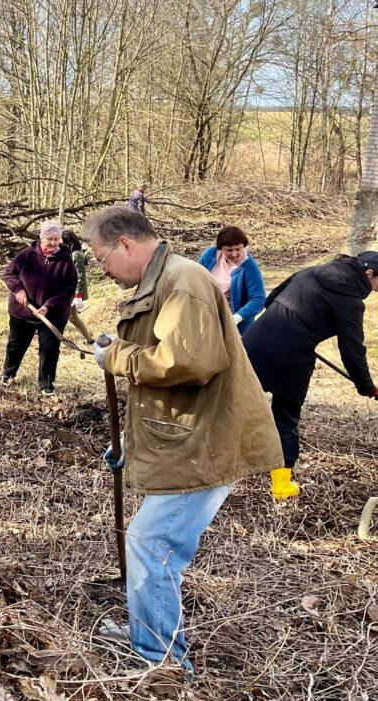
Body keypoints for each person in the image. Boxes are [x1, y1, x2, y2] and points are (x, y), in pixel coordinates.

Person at [86, 206, 282, 672]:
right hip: (187, 438)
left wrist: (118, 357)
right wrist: (129, 443)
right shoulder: (164, 281)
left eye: (101, 258)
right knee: (151, 544)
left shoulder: (184, 281)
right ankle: (147, 631)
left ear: (126, 244)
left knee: (151, 545)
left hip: (205, 444)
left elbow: (186, 363)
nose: (102, 269)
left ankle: (162, 663)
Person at [243, 253, 378, 499]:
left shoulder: (311, 272)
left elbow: (271, 299)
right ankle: (281, 486)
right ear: (369, 274)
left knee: (237, 403)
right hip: (291, 355)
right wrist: (368, 388)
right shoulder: (350, 300)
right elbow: (352, 349)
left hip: (254, 340)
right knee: (285, 416)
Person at [0, 221, 78, 394]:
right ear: (41, 238)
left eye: (56, 239)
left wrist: (49, 306)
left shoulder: (66, 262)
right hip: (23, 311)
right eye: (49, 238)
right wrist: (18, 290)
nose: (53, 243)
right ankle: (8, 374)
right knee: (16, 344)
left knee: (49, 349)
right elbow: (8, 274)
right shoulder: (26, 255)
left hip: (52, 315)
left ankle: (46, 384)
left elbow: (68, 291)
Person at [197, 226, 266, 336]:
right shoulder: (210, 255)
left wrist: (238, 317)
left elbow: (258, 299)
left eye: (238, 249)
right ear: (220, 248)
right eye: (229, 250)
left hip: (236, 323)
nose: (234, 254)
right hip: (209, 315)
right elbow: (196, 279)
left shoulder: (249, 266)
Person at [62, 229, 93, 344]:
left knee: (72, 317)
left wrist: (78, 296)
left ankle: (89, 339)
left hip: (74, 292)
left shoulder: (76, 255)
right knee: (70, 316)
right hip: (68, 291)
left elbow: (80, 277)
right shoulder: (70, 253)